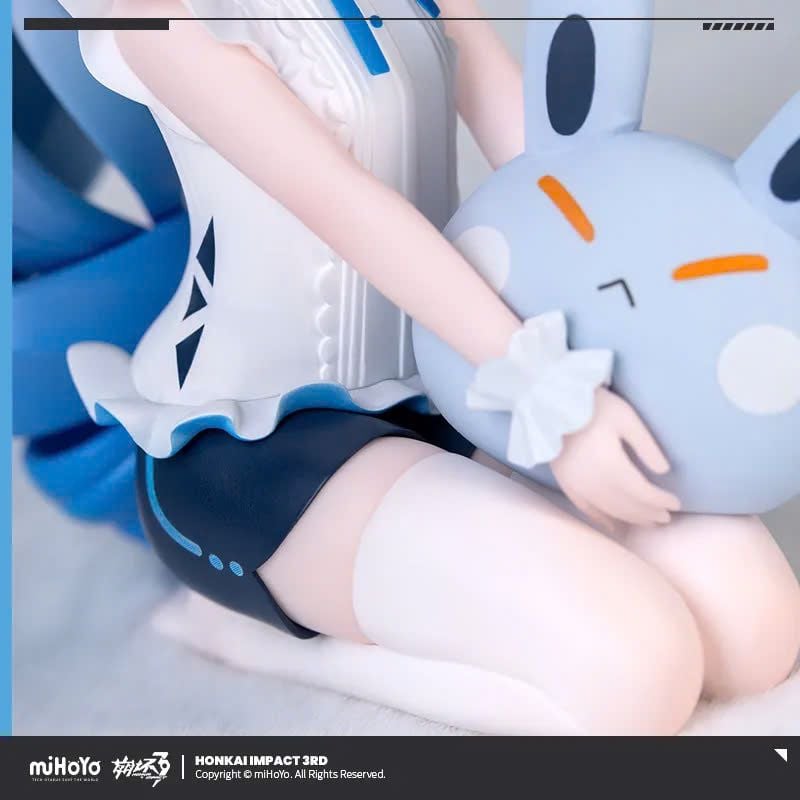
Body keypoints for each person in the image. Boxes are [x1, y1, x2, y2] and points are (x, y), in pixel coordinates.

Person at [60, 0, 800, 735]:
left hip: (445, 386)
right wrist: (552, 396)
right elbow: (343, 204)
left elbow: (545, 158)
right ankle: (254, 635)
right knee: (638, 676)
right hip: (248, 444)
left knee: (755, 629)